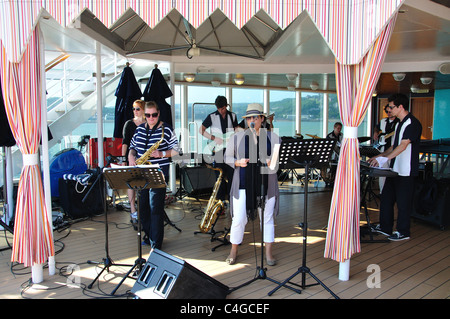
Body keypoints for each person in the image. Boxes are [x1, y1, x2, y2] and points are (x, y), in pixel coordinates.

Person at [224, 103, 280, 266]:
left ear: (262, 119)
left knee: (267, 219)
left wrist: (272, 162)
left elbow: (276, 164)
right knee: (239, 219)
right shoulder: (236, 137)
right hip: (242, 182)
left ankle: (268, 253)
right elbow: (226, 158)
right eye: (249, 118)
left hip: (265, 183)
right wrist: (237, 162)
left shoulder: (273, 137)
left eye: (256, 117)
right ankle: (233, 250)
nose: (252, 120)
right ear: (246, 120)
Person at [368, 93, 422, 241]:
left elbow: (403, 146)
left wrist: (384, 158)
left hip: (406, 170)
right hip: (394, 169)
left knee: (403, 203)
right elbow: (394, 145)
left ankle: (403, 232)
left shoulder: (412, 123)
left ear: (400, 107)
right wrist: (380, 156)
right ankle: (385, 227)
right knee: (386, 198)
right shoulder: (399, 123)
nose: (389, 109)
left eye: (391, 107)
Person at [128, 101, 179, 249]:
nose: (151, 118)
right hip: (141, 172)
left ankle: (156, 243)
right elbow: (132, 147)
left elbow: (177, 150)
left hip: (158, 172)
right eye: (148, 115)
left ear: (158, 113)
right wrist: (131, 156)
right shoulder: (139, 130)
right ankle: (149, 235)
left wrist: (162, 153)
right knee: (143, 207)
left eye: (154, 115)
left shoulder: (167, 129)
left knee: (155, 207)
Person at [199, 95, 238, 202]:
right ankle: (220, 201)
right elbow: (201, 130)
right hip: (218, 151)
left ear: (226, 106)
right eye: (219, 109)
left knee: (232, 176)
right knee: (219, 177)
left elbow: (237, 129)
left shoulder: (233, 116)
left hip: (230, 150)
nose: (221, 111)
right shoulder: (211, 116)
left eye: (223, 108)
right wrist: (213, 138)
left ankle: (232, 200)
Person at [122, 100, 146, 226]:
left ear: (143, 109)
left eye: (137, 108)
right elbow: (125, 142)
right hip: (132, 158)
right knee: (131, 184)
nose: (135, 111)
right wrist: (123, 159)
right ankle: (133, 210)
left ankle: (144, 210)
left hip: (144, 158)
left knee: (143, 184)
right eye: (134, 109)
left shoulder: (148, 123)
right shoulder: (129, 124)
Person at [373, 104, 399, 192]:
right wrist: (376, 133)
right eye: (387, 112)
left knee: (394, 171)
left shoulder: (398, 122)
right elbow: (376, 128)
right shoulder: (383, 121)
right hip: (383, 148)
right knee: (382, 171)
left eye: (390, 112)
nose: (388, 113)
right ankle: (382, 191)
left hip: (394, 149)